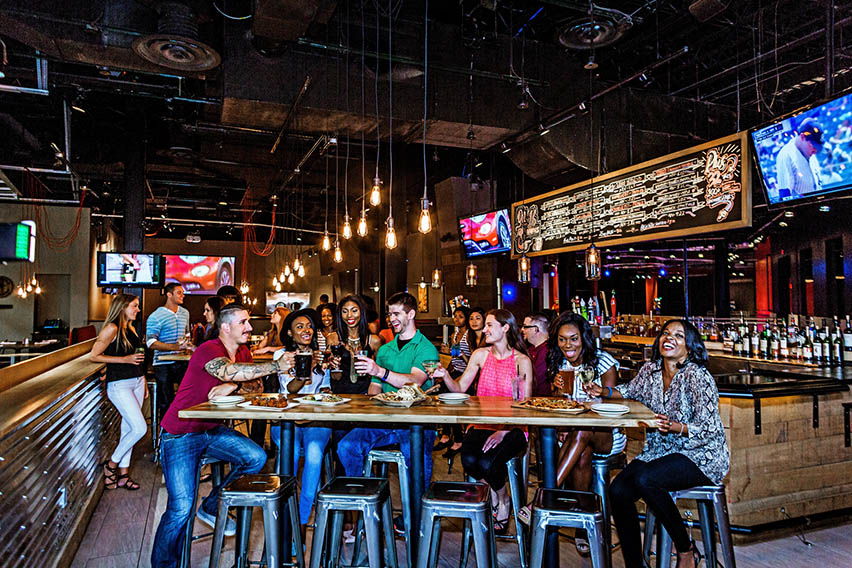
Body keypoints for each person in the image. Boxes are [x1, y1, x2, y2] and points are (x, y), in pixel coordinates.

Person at [151, 303, 293, 568]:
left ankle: (212, 506)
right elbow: (229, 371)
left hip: (210, 429)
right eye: (243, 323)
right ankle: (164, 565)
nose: (250, 327)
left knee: (255, 456)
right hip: (180, 433)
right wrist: (269, 367)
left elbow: (254, 386)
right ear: (225, 327)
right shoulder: (209, 349)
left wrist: (233, 383)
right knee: (180, 508)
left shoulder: (243, 351)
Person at [584, 319, 729, 568]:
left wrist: (676, 427)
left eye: (678, 335)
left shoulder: (697, 376)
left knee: (646, 480)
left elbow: (709, 429)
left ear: (690, 347)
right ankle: (635, 564)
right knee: (617, 490)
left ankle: (685, 548)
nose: (669, 338)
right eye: (665, 333)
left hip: (701, 455)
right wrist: (602, 391)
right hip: (660, 451)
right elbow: (629, 391)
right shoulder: (649, 371)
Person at [432, 309, 533, 535]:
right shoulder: (480, 355)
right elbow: (460, 388)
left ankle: (503, 500)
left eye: (489, 325)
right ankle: (496, 494)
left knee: (488, 463)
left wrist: (504, 430)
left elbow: (524, 405)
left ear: (505, 328)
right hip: (482, 423)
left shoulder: (521, 361)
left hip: (514, 427)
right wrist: (444, 375)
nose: (484, 330)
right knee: (468, 458)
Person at [336, 292, 439, 484]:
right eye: (389, 314)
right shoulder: (384, 350)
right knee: (346, 446)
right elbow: (375, 388)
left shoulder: (426, 348)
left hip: (417, 423)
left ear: (411, 314)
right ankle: (371, 495)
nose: (391, 319)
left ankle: (416, 513)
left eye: (397, 314)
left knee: (413, 454)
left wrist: (380, 371)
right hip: (385, 421)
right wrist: (368, 406)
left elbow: (415, 381)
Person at [547, 312, 622, 554]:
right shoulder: (561, 365)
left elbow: (616, 401)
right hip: (576, 438)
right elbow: (559, 406)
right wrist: (557, 391)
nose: (567, 345)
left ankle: (548, 493)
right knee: (581, 453)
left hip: (607, 432)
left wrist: (600, 392)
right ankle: (583, 526)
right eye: (562, 339)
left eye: (573, 339)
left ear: (584, 339)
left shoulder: (603, 362)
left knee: (582, 429)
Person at [269, 308, 332, 542]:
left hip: (316, 420)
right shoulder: (282, 357)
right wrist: (303, 372)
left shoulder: (321, 355)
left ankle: (302, 521)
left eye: (309, 326)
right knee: (292, 453)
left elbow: (326, 390)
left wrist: (326, 374)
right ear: (289, 333)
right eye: (299, 327)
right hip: (287, 420)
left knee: (315, 454)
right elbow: (289, 390)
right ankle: (285, 516)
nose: (306, 330)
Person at [89, 294, 147, 491]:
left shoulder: (129, 327)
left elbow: (138, 359)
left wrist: (144, 380)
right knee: (140, 428)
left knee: (128, 429)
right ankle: (111, 465)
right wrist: (124, 360)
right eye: (134, 306)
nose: (137, 310)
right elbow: (94, 356)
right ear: (122, 307)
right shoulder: (111, 328)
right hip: (119, 385)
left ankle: (123, 474)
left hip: (137, 382)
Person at [146, 282, 192, 418]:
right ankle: (166, 434)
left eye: (183, 293)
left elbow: (187, 333)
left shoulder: (185, 313)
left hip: (181, 362)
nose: (182, 295)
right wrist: (174, 347)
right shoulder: (156, 316)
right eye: (179, 293)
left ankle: (184, 430)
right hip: (162, 364)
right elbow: (150, 342)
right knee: (166, 401)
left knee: (187, 396)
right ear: (168, 294)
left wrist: (186, 344)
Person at [327, 295, 383, 394]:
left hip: (365, 395)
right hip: (340, 396)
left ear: (362, 312)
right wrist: (333, 365)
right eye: (344, 311)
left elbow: (380, 374)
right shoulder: (333, 338)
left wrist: (371, 369)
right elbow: (335, 377)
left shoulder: (374, 340)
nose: (349, 315)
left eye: (354, 310)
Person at [434, 307, 471, 454]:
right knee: (443, 401)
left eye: (460, 317)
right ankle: (445, 435)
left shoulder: (470, 336)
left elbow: (472, 362)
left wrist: (461, 355)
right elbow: (453, 359)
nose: (456, 319)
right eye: (455, 316)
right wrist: (445, 373)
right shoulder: (454, 335)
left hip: (465, 373)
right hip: (454, 371)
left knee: (452, 403)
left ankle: (458, 439)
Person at [775, 117, 824, 199]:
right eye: (813, 146)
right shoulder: (785, 155)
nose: (815, 151)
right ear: (802, 137)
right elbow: (784, 196)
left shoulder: (810, 153)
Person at [521, 311, 552, 397]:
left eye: (525, 327)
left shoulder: (549, 350)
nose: (522, 330)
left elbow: (535, 379)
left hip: (544, 401)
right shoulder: (530, 349)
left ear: (536, 329)